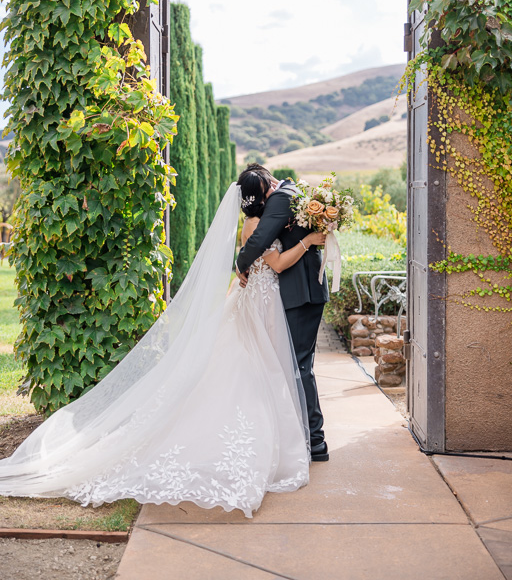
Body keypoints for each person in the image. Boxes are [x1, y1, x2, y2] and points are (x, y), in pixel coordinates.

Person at [0, 179, 325, 518]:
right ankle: (282, 441)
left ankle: (287, 436)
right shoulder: (258, 225)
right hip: (262, 302)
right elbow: (275, 264)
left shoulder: (252, 222)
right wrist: (307, 241)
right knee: (257, 370)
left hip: (258, 300)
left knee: (257, 366)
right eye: (270, 187)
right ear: (263, 195)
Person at [236, 164, 330, 462]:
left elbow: (260, 243)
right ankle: (308, 437)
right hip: (291, 293)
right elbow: (260, 242)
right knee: (292, 365)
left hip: (299, 293)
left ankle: (315, 441)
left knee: (299, 366)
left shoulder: (281, 197)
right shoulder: (291, 192)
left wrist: (239, 265)